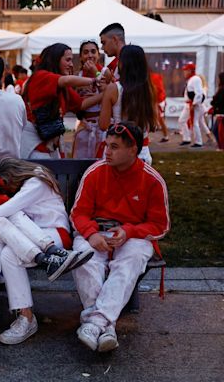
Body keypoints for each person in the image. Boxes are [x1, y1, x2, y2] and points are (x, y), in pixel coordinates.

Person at [0, 159, 93, 345]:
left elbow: (10, 208)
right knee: (7, 254)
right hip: (37, 236)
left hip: (55, 234)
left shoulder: (36, 182)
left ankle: (52, 258)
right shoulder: (31, 183)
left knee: (10, 227)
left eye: (6, 184)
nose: (8, 189)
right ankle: (26, 314)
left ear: (12, 176)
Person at [70, 122, 170, 353]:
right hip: (96, 232)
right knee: (85, 258)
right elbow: (79, 213)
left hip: (132, 235)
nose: (107, 152)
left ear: (132, 150)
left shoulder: (152, 180)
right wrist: (92, 234)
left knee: (131, 260)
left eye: (114, 147)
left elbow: (160, 225)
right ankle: (107, 326)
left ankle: (94, 323)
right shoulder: (96, 172)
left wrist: (130, 232)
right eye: (106, 145)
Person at [20, 43, 104, 159]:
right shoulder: (41, 76)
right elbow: (66, 81)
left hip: (50, 144)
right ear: (55, 60)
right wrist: (95, 80)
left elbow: (81, 104)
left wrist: (105, 94)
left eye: (93, 51)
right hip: (34, 144)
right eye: (68, 60)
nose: (70, 64)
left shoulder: (63, 83)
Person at [99, 45, 158, 165]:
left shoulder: (113, 89)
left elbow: (103, 124)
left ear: (122, 64)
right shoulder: (149, 89)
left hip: (117, 151)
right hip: (143, 153)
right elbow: (153, 124)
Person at [72, 40, 106, 158]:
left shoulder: (106, 73)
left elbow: (111, 98)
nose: (90, 55)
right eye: (86, 52)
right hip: (84, 126)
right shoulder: (77, 76)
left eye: (93, 52)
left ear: (99, 55)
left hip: (102, 128)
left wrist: (95, 72)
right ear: (81, 57)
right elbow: (76, 105)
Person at [177, 63, 208, 148]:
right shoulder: (191, 79)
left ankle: (198, 141)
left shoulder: (195, 79)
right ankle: (186, 138)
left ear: (190, 71)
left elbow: (199, 93)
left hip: (193, 104)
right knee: (182, 120)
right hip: (189, 103)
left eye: (186, 70)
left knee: (194, 123)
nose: (184, 72)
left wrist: (194, 104)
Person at [150, 71, 169, 142]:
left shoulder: (154, 78)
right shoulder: (155, 77)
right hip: (157, 101)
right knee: (158, 118)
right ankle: (165, 135)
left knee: (160, 119)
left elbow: (157, 91)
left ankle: (166, 136)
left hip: (159, 101)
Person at [211, 72, 224, 150]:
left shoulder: (222, 89)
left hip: (221, 113)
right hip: (220, 112)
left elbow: (219, 100)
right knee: (216, 130)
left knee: (217, 130)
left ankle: (221, 146)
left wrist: (214, 103)